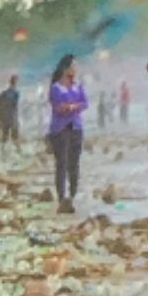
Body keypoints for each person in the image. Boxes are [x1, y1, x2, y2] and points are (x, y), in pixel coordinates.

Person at [48, 54, 89, 215]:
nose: (76, 69)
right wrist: (70, 107)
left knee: (74, 163)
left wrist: (73, 107)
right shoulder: (56, 87)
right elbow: (57, 107)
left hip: (76, 127)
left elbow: (85, 103)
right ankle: (61, 196)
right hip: (60, 129)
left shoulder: (78, 86)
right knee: (62, 163)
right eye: (73, 66)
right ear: (66, 69)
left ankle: (73, 194)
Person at [0, 74, 21, 158]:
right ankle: (17, 150)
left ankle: (3, 151)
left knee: (5, 135)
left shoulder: (4, 93)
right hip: (11, 117)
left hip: (5, 118)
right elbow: (14, 105)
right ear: (15, 82)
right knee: (14, 135)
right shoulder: (15, 93)